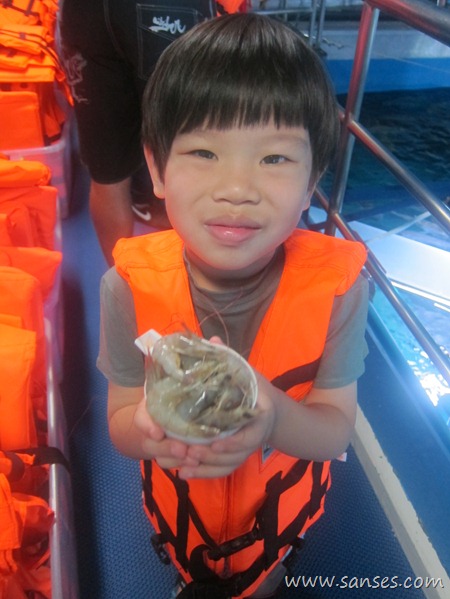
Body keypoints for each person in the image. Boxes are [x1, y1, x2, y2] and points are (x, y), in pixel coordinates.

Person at [98, 13, 369, 599]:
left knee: (263, 578)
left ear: (311, 181)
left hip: (274, 524)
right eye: (203, 151)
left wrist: (272, 419)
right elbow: (119, 423)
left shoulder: (340, 290)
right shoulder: (125, 288)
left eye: (274, 159)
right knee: (190, 569)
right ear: (156, 169)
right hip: (183, 518)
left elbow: (333, 433)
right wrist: (148, 433)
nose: (237, 189)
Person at [59, 0, 240, 265]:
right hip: (168, 7)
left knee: (108, 174)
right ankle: (196, 281)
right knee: (195, 150)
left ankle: (123, 281)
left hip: (84, 12)